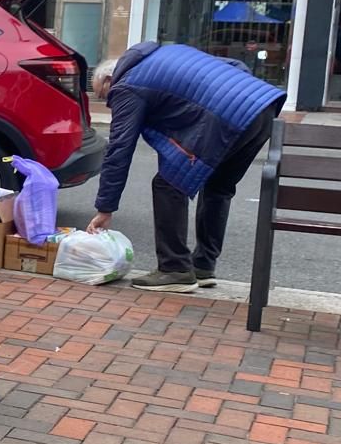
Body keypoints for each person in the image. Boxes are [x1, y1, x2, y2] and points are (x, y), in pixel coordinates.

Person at [88, 42, 285, 293]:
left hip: (226, 116)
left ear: (108, 78)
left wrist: (105, 208)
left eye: (104, 96)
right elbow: (236, 66)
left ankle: (175, 269)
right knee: (218, 187)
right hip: (261, 106)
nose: (109, 103)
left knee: (167, 185)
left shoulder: (126, 84)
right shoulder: (161, 54)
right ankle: (203, 266)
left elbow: (119, 148)